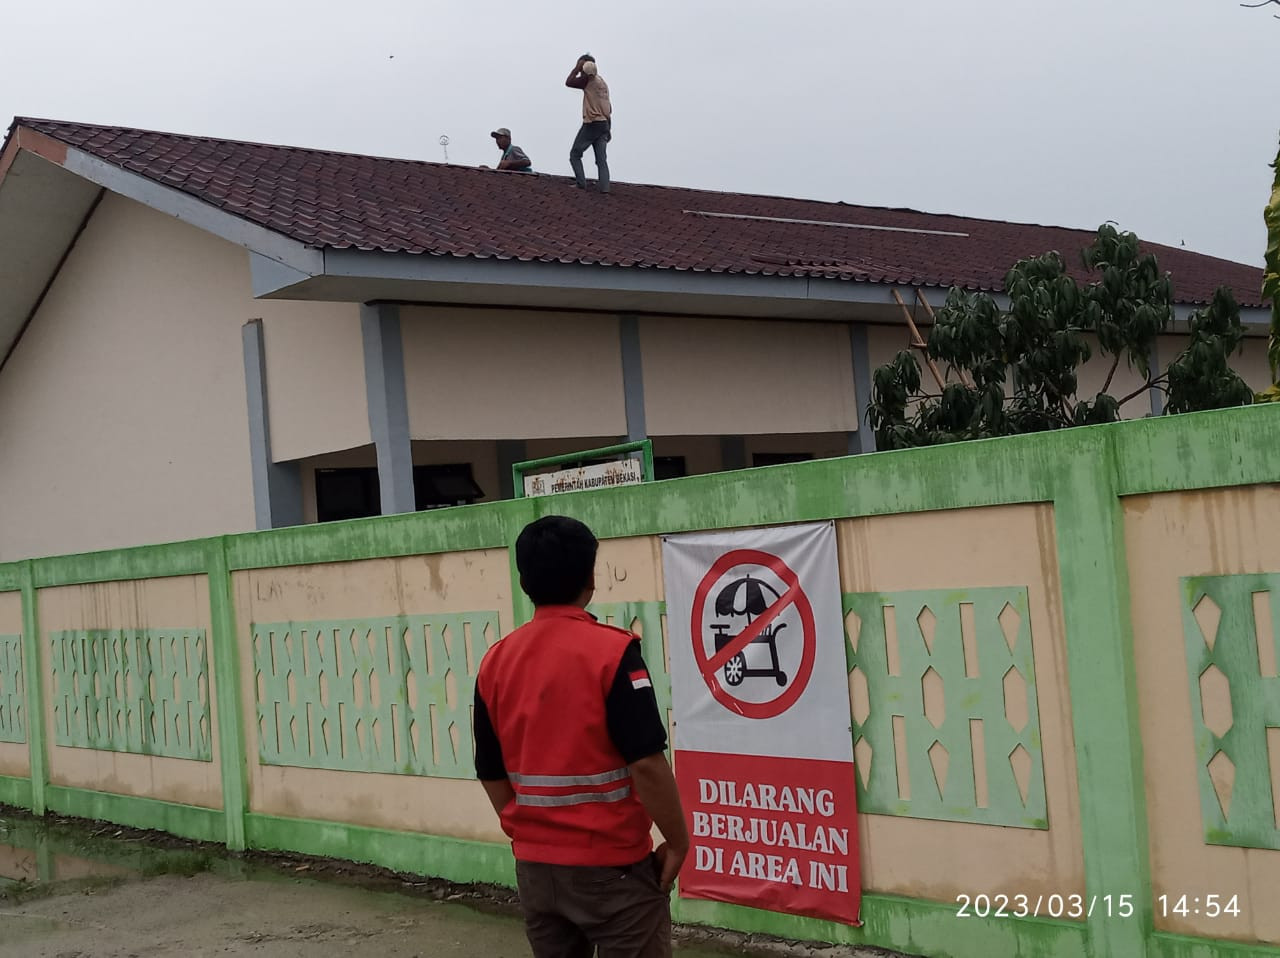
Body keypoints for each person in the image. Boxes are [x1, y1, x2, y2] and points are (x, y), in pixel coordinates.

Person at [474, 515, 689, 958]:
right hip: (614, 871)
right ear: (591, 577)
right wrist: (679, 841)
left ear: (523, 579)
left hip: (537, 871)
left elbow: (490, 770)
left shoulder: (495, 662)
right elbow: (646, 762)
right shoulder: (613, 653)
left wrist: (527, 833)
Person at [565, 54, 612, 192]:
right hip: (604, 123)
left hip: (592, 123)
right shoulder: (602, 83)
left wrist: (576, 67)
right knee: (601, 159)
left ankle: (581, 183)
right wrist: (609, 128)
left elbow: (569, 82)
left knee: (575, 154)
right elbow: (609, 107)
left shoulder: (588, 80)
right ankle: (605, 188)